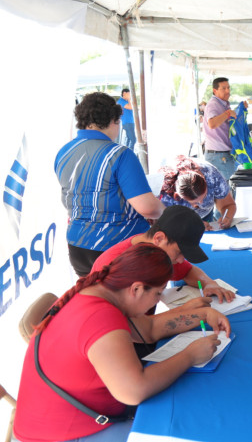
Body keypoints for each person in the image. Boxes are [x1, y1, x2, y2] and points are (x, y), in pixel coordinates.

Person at [13, 244, 230, 442]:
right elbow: (133, 390)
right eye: (157, 294)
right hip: (61, 435)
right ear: (136, 289)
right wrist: (190, 355)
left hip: (63, 421)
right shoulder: (100, 316)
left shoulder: (100, 291)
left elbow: (149, 330)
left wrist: (202, 315)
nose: (157, 301)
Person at [54, 92, 164, 277]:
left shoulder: (64, 151)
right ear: (113, 120)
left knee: (94, 303)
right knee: (129, 303)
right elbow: (148, 208)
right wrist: (166, 212)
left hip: (77, 245)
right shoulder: (119, 154)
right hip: (116, 244)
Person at [92, 205, 235, 304]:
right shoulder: (118, 265)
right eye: (179, 252)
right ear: (159, 238)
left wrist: (208, 283)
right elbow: (135, 326)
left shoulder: (158, 250)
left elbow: (188, 270)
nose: (180, 261)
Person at [159, 156, 237, 229]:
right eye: (195, 202)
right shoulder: (165, 192)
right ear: (178, 195)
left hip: (205, 216)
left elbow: (227, 204)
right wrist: (191, 225)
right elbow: (164, 224)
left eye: (204, 196)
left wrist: (227, 217)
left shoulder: (211, 175)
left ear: (206, 182)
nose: (201, 203)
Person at [203, 77, 239, 180]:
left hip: (223, 155)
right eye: (223, 88)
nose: (227, 91)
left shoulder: (223, 103)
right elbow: (212, 123)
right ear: (215, 91)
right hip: (219, 156)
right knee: (227, 192)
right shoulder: (213, 104)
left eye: (228, 87)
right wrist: (228, 113)